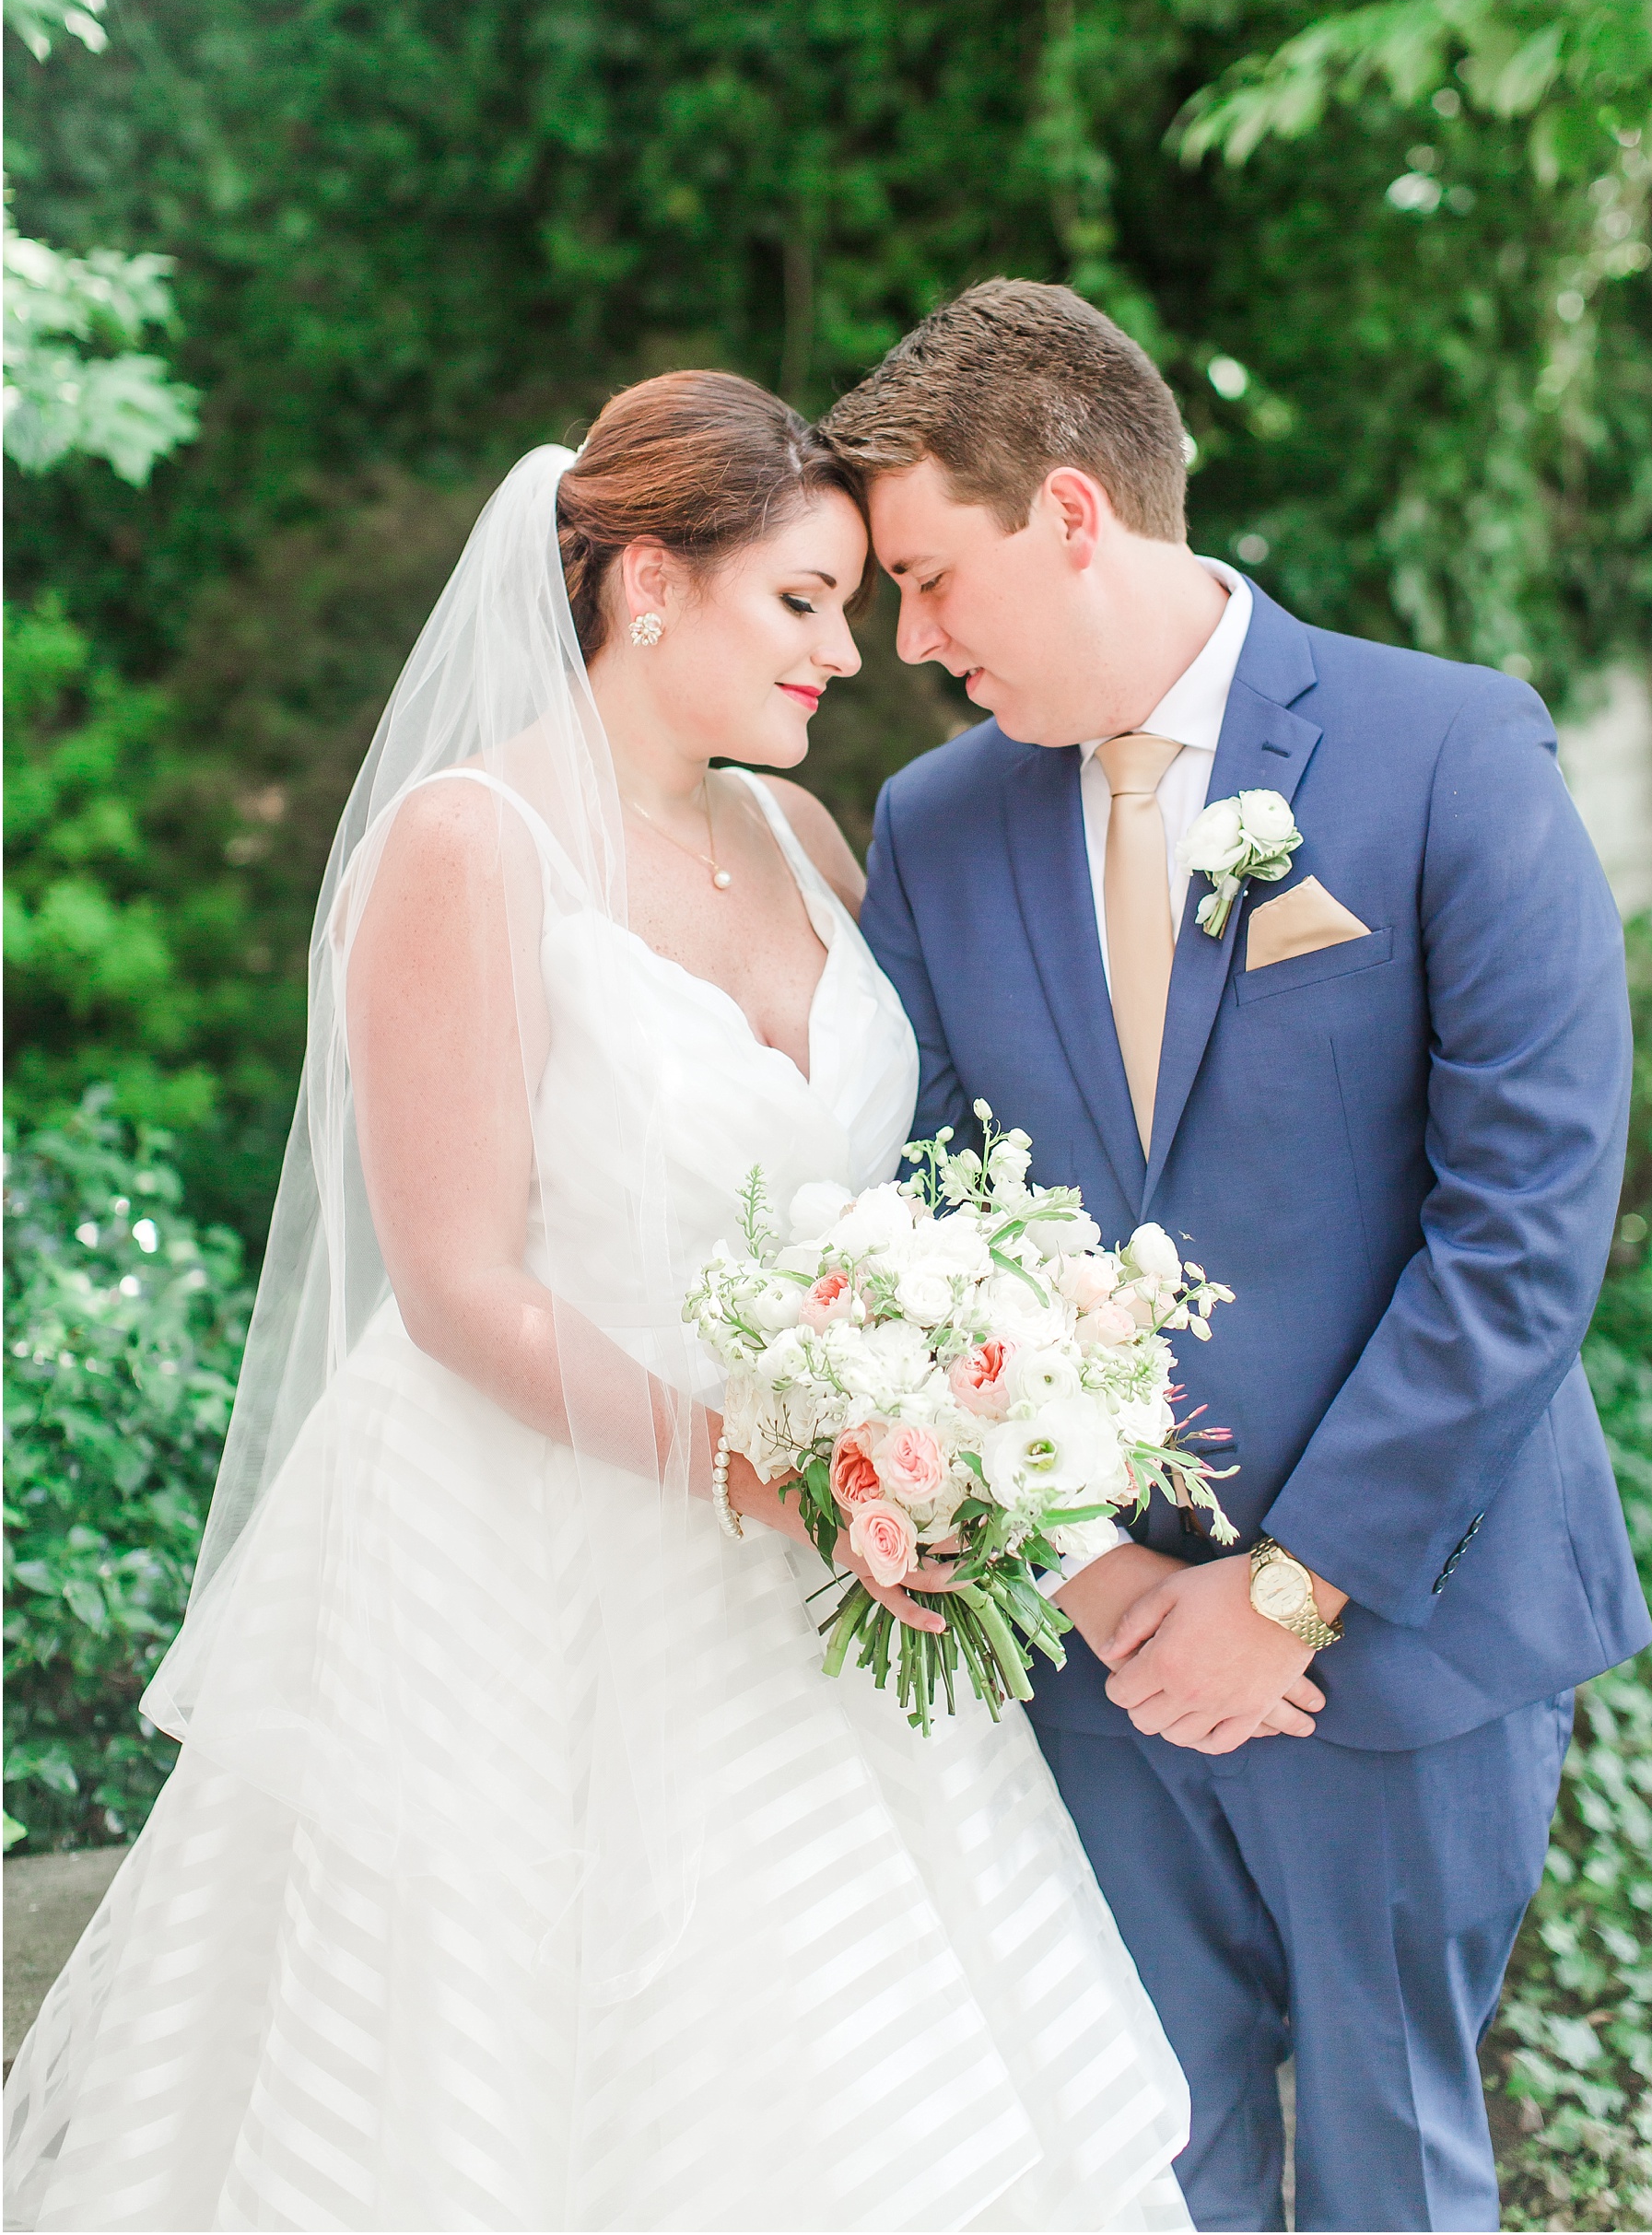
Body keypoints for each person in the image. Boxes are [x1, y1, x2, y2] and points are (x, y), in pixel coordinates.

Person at [5, 371, 1195, 2234]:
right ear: (652, 582)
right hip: (537, 1553)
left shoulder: (806, 844)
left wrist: (928, 1402)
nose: (848, 650)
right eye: (799, 601)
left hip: (828, 1555)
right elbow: (463, 1281)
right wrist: (776, 1473)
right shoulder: (473, 844)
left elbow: (875, 1198)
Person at [826, 280, 1651, 2235]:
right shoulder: (936, 828)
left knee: (1394, 2168)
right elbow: (923, 1211)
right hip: (1091, 1653)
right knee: (1140, 2150)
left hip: (1406, 1626)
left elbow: (1527, 1220)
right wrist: (1106, 1580)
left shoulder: (1447, 747)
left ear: (1076, 514)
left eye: (933, 577)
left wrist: (1285, 1589)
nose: (911, 640)